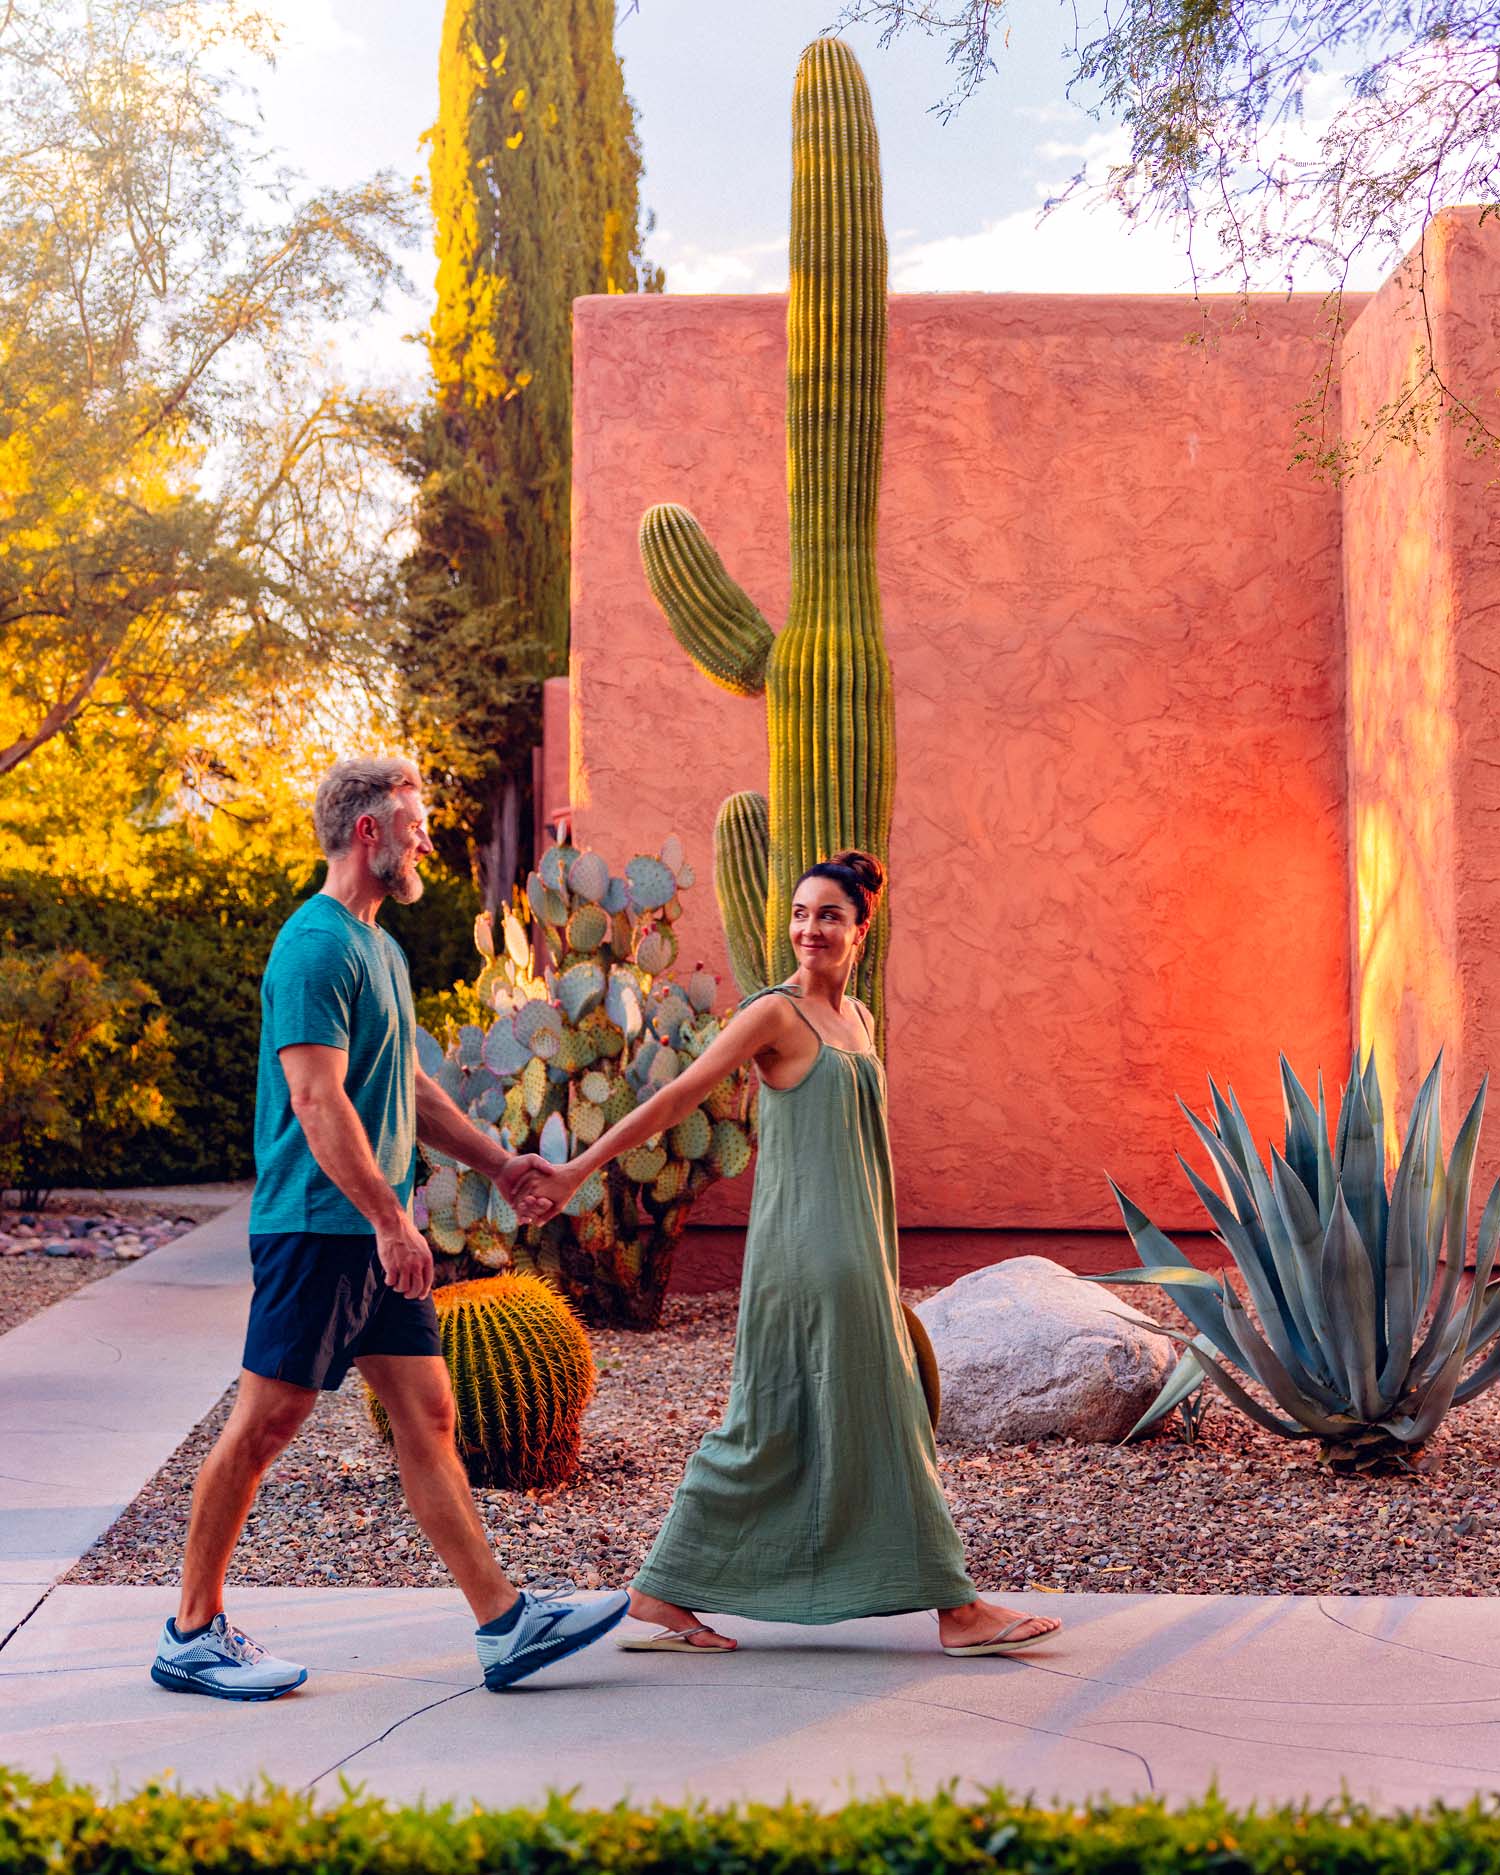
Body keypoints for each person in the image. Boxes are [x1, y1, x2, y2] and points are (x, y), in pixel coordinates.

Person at [151, 757, 630, 1700]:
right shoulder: (314, 946)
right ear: (367, 830)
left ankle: (504, 1624)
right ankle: (191, 1634)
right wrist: (386, 1219)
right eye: (414, 824)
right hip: (318, 1228)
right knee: (266, 1423)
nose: (425, 841)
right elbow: (316, 1097)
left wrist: (497, 1163)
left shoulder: (381, 950)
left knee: (429, 1415)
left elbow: (402, 1086)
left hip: (371, 1231)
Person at [519, 850, 1062, 1658]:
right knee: (884, 1410)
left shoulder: (859, 1019)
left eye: (829, 915)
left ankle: (660, 1591)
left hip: (857, 1247)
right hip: (811, 1253)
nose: (811, 928)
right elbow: (680, 1094)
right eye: (801, 913)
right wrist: (576, 1169)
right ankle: (956, 1608)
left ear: (861, 929)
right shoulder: (776, 1013)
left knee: (774, 1424)